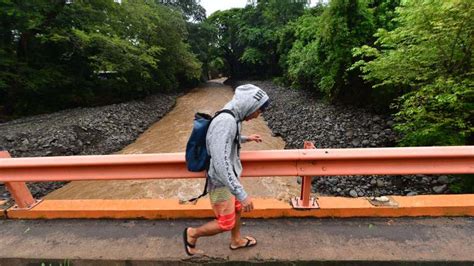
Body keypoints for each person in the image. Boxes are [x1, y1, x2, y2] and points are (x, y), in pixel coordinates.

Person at [183, 84, 270, 256]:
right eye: (258, 111)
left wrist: (245, 138)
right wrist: (241, 193)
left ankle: (236, 241)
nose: (257, 115)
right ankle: (192, 233)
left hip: (230, 179)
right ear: (249, 105)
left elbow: (226, 140)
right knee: (225, 223)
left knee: (237, 210)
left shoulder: (233, 116)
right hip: (221, 182)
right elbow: (221, 162)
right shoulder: (226, 122)